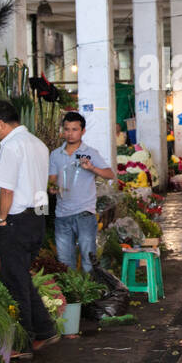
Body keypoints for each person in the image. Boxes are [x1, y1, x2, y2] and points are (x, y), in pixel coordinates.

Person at [0, 99, 58, 355]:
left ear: (2, 124)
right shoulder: (38, 144)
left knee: (15, 281)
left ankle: (24, 342)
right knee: (22, 277)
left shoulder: (10, 146)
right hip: (37, 217)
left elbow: (8, 189)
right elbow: (31, 182)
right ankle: (45, 330)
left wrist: (2, 218)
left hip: (16, 221)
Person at [48, 111, 114, 273]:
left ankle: (90, 294)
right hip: (62, 215)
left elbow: (110, 174)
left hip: (84, 213)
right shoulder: (56, 155)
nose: (70, 133)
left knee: (88, 260)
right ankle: (73, 294)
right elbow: (52, 179)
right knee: (64, 262)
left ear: (82, 131)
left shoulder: (90, 153)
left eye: (74, 129)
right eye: (67, 129)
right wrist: (52, 187)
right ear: (63, 131)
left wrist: (92, 167)